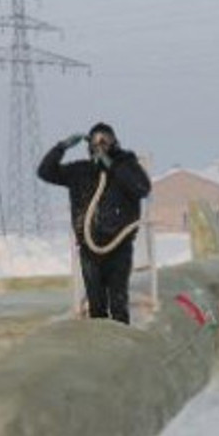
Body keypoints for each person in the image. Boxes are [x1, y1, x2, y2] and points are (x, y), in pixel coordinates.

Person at [38, 122, 151, 324]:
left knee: (118, 303)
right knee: (96, 306)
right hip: (89, 249)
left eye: (105, 139)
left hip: (119, 247)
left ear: (114, 142)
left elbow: (142, 188)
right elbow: (45, 172)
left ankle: (120, 338)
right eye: (96, 140)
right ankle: (100, 338)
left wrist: (112, 165)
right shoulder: (81, 171)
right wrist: (61, 147)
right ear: (89, 145)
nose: (100, 144)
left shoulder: (127, 166)